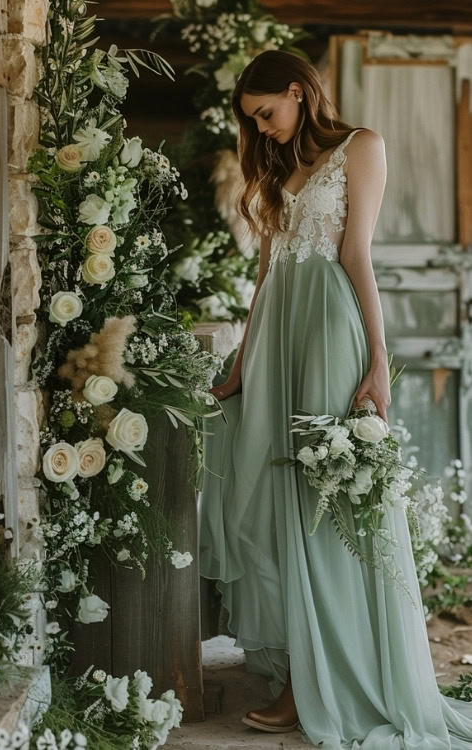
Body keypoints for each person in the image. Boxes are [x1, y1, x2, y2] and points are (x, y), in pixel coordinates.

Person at [198, 49, 472, 748]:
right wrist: (241, 359)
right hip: (280, 334)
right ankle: (299, 663)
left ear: (298, 92)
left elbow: (357, 257)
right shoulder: (278, 167)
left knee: (326, 501)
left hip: (327, 329)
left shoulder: (362, 147)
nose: (262, 130)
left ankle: (319, 681)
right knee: (275, 492)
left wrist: (379, 361)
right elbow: (266, 274)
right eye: (253, 122)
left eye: (267, 113)